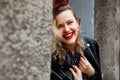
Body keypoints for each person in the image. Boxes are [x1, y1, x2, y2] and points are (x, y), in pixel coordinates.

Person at [51, 4, 102, 80]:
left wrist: (92, 73)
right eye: (60, 26)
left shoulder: (91, 44)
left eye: (70, 22)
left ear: (77, 22)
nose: (67, 30)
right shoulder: (52, 60)